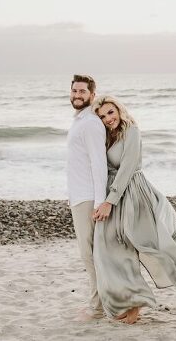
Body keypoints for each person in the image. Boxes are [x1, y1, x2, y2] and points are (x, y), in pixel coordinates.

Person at [91, 96, 176, 324]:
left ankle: (140, 303)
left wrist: (110, 201)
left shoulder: (132, 131)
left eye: (110, 112)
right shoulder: (107, 136)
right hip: (113, 193)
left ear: (119, 110)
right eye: (102, 116)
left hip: (133, 193)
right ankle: (131, 300)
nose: (108, 119)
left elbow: (128, 167)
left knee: (149, 243)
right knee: (109, 247)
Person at [66, 73, 107, 321]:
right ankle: (99, 303)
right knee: (89, 253)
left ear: (92, 95)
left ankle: (97, 307)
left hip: (89, 198)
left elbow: (98, 163)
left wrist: (101, 201)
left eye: (82, 92)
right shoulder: (79, 120)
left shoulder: (90, 122)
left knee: (89, 253)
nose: (77, 95)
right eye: (74, 91)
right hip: (79, 195)